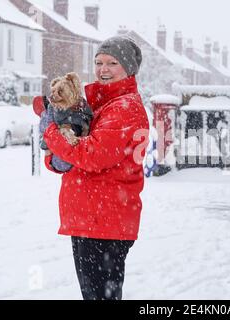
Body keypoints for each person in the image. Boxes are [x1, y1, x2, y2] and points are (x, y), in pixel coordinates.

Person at [40, 36, 149, 300]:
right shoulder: (97, 103)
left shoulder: (124, 108)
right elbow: (73, 154)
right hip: (93, 218)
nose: (103, 69)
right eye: (99, 62)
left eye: (113, 63)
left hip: (104, 220)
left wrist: (51, 133)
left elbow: (92, 155)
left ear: (129, 68)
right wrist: (55, 160)